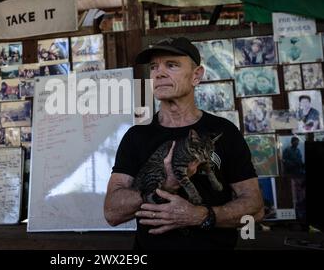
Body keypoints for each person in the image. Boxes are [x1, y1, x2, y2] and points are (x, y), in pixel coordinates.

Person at [104, 37, 264, 250]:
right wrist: (164, 183)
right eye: (154, 67)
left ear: (196, 75)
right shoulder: (136, 137)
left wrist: (201, 216)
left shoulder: (224, 132)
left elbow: (255, 207)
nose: (158, 73)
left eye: (171, 65)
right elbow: (112, 212)